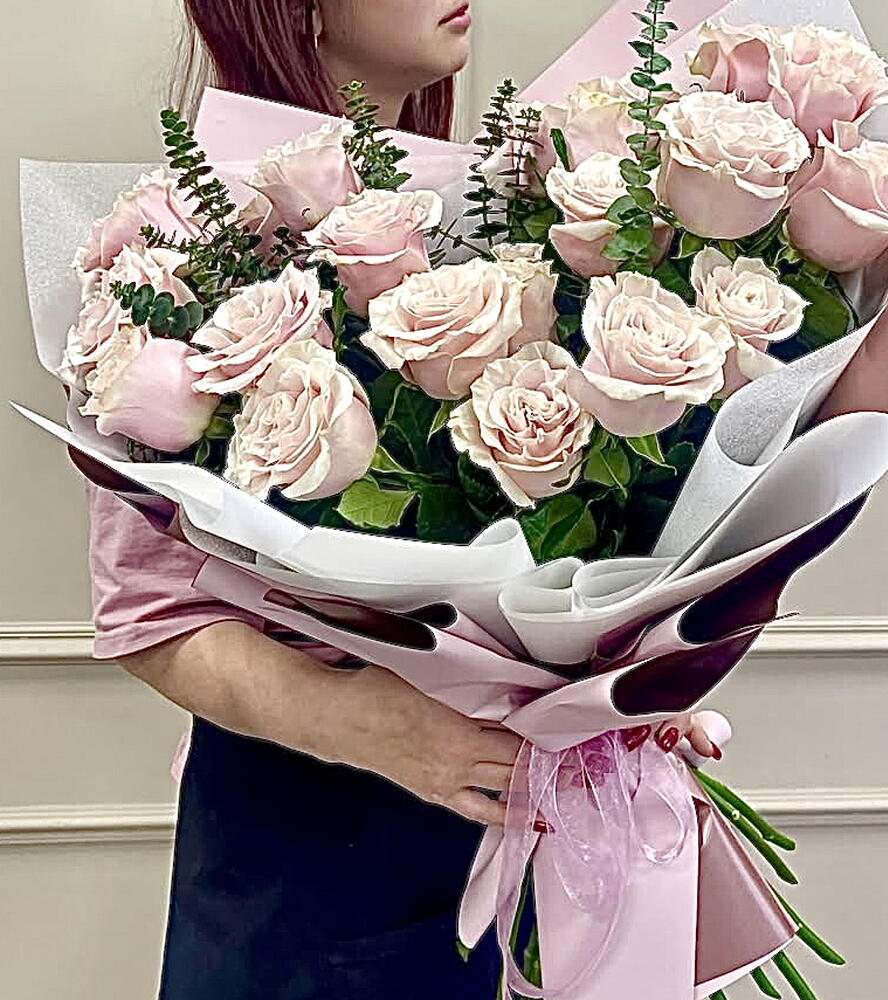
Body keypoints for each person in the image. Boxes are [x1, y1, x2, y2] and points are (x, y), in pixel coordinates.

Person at [85, 2, 721, 997]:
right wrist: (362, 723)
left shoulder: (506, 211)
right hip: (316, 842)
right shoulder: (187, 246)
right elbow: (147, 615)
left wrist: (610, 699)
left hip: (529, 826)